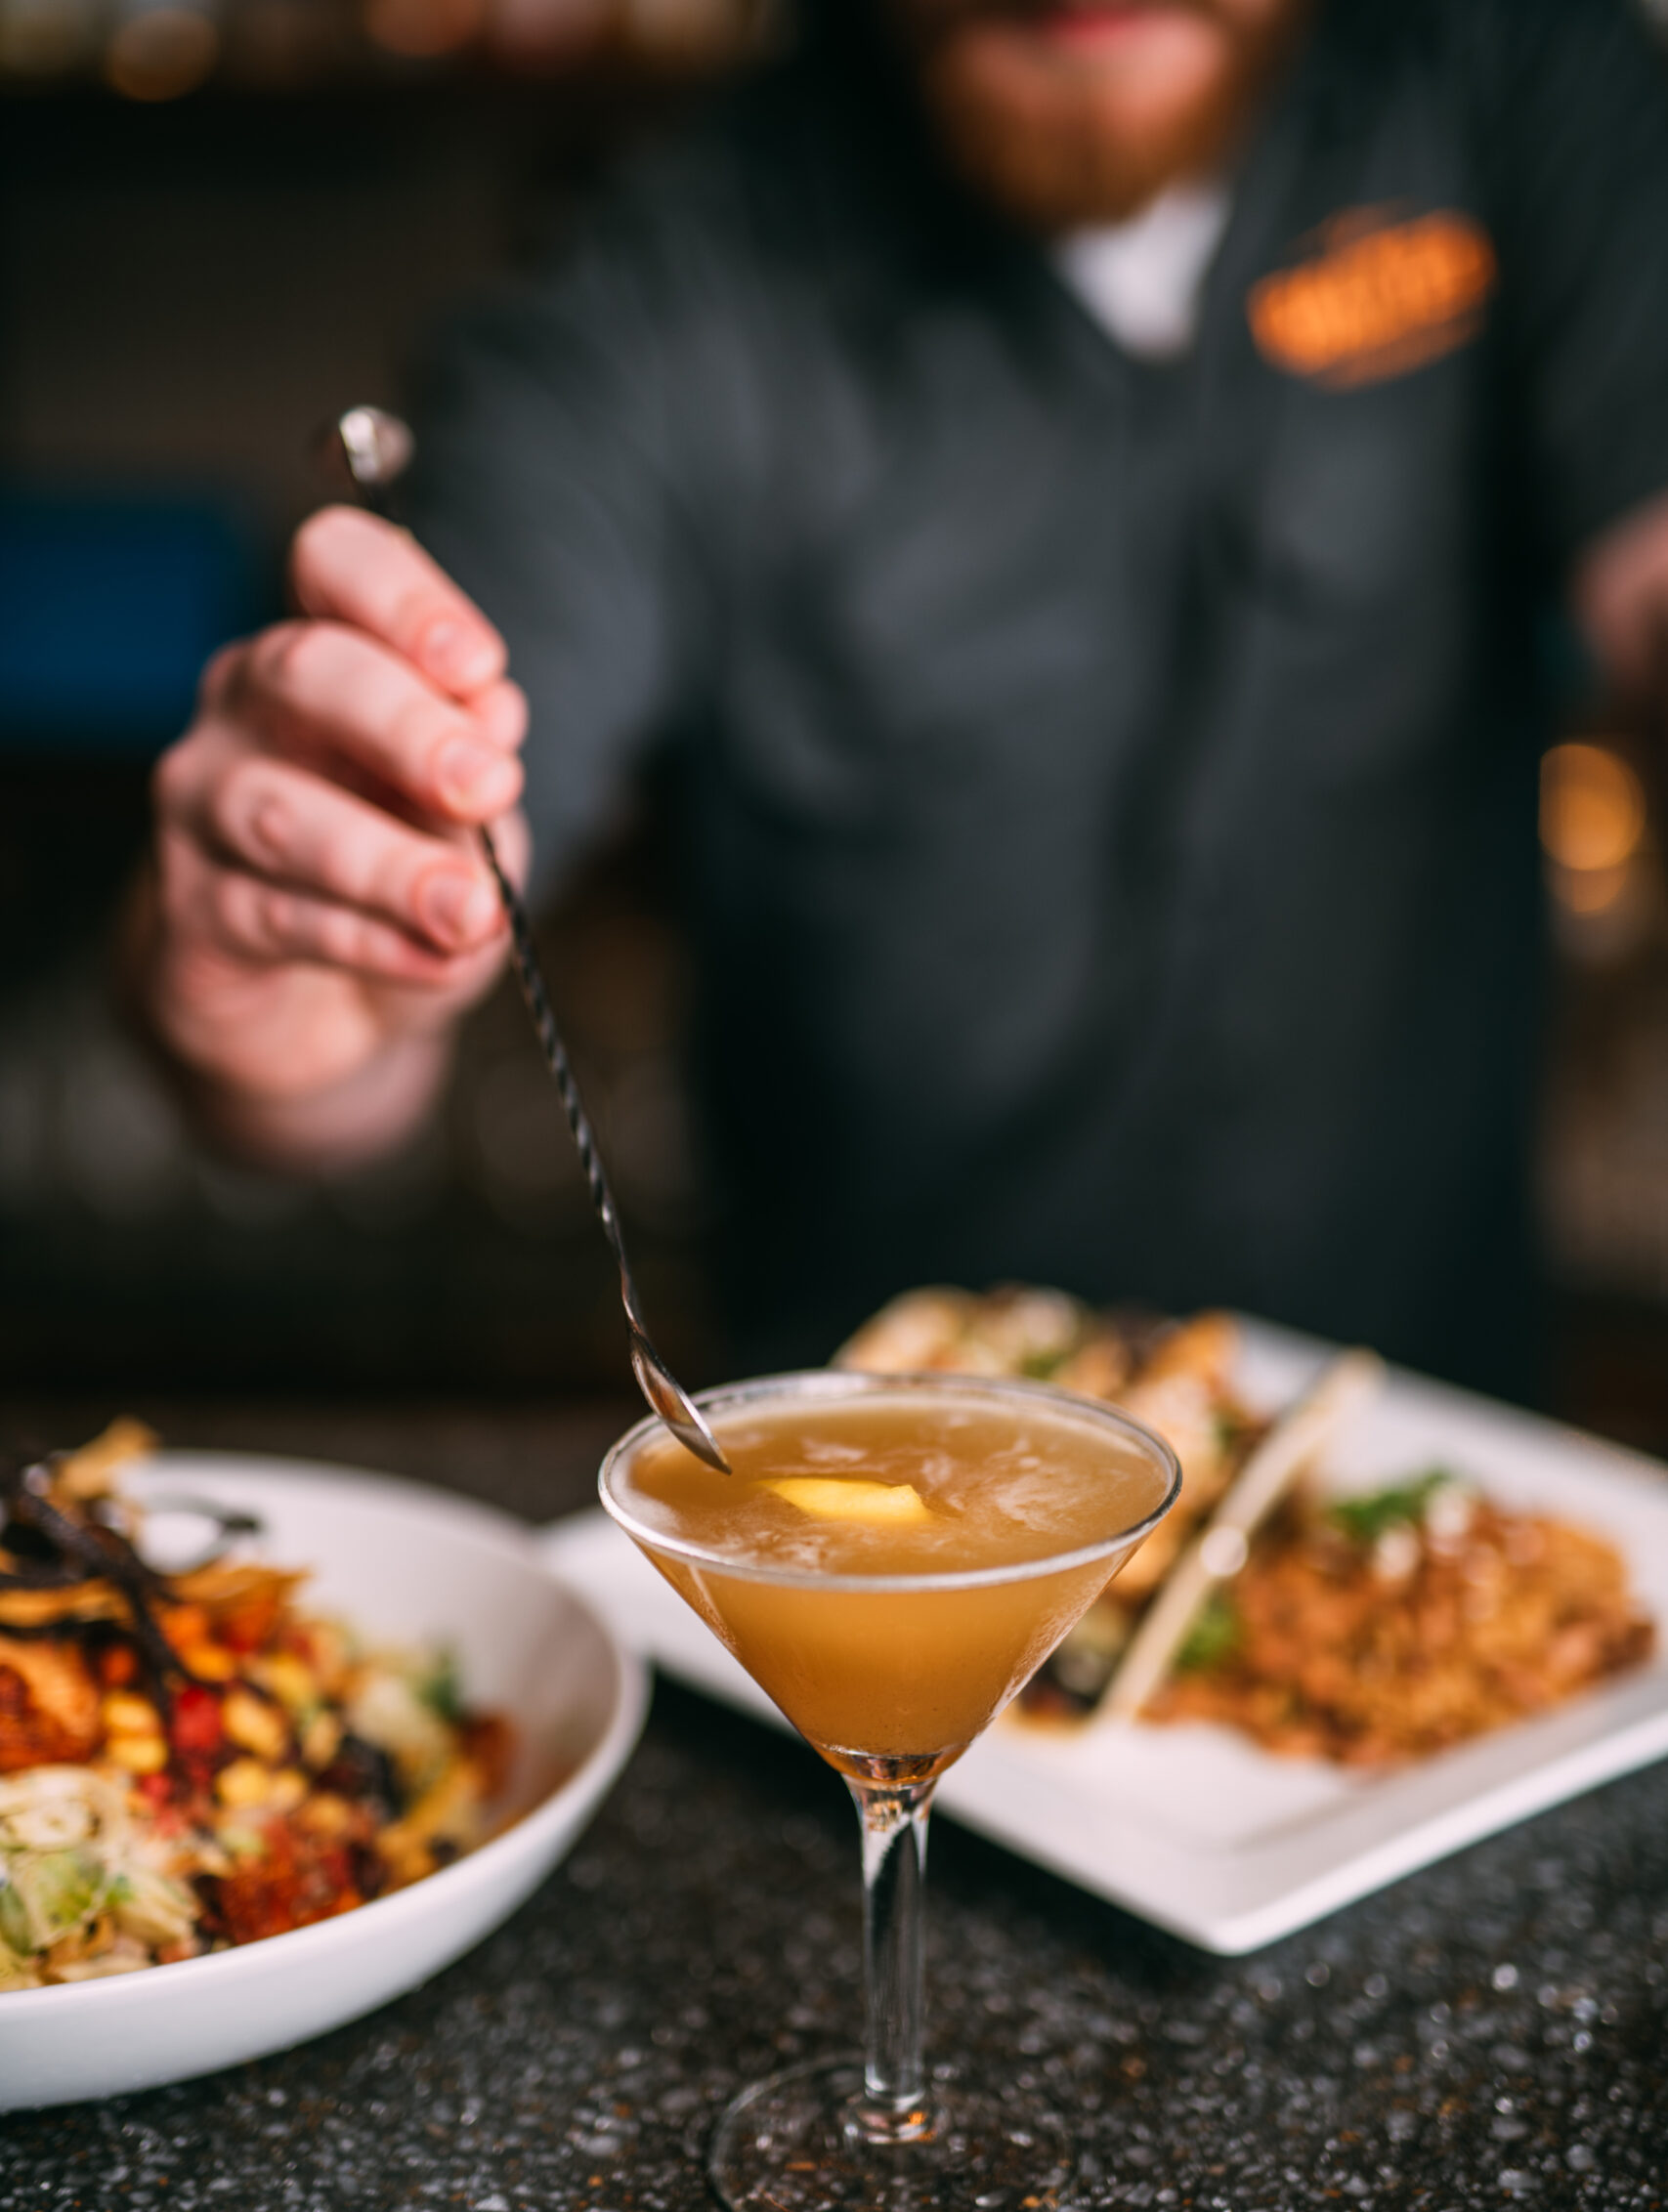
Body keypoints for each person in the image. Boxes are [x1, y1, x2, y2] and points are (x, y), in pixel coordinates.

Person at [134, 0, 1668, 1392]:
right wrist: (288, 982)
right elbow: (374, 901)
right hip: (880, 1567)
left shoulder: (1516, 77)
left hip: (1437, 1496)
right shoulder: (663, 288)